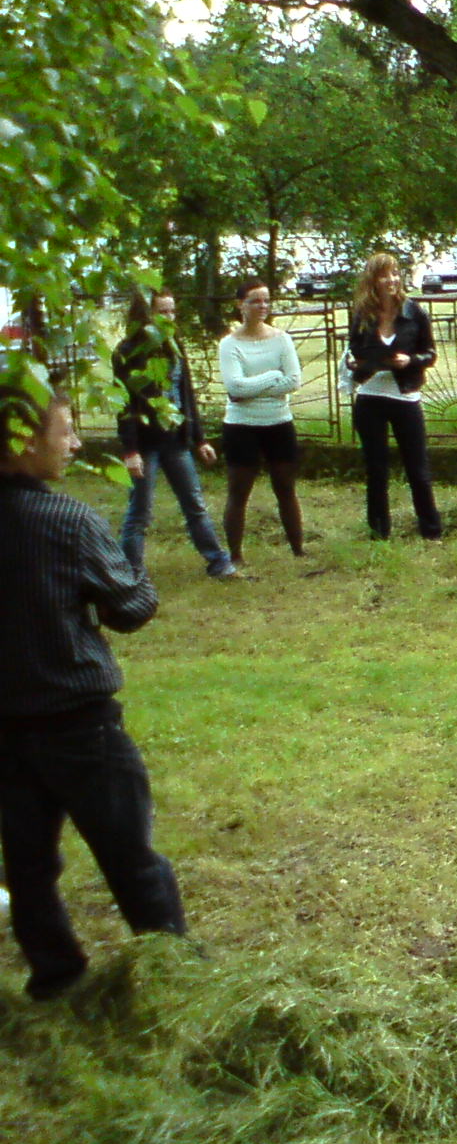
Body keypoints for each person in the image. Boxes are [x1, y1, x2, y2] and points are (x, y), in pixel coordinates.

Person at [0, 382, 187, 1000]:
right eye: (66, 431)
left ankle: (55, 974)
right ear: (23, 441)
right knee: (130, 856)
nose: (76, 443)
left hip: (7, 726)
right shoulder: (67, 521)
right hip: (78, 724)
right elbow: (130, 608)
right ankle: (172, 972)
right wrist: (131, 572)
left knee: (28, 864)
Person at [114, 290, 237, 580]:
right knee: (140, 512)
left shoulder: (173, 346)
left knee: (195, 505)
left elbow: (186, 395)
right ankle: (130, 573)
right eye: (162, 312)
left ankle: (219, 563)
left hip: (175, 441)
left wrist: (199, 439)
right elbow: (124, 404)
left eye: (172, 311)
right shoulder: (127, 351)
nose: (169, 318)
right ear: (146, 315)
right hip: (145, 444)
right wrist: (130, 451)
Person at [346, 253, 443, 542]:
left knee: (417, 469)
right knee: (376, 470)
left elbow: (430, 354)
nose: (391, 280)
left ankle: (431, 532)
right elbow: (354, 351)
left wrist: (410, 360)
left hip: (405, 397)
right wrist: (356, 364)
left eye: (395, 274)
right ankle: (379, 533)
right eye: (384, 275)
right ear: (372, 280)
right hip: (370, 396)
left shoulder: (414, 312)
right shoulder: (363, 315)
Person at [218, 279, 306, 568]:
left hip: (278, 422)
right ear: (240, 305)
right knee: (239, 491)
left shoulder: (282, 340)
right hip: (241, 426)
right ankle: (235, 555)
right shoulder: (229, 344)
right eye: (255, 301)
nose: (262, 306)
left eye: (266, 300)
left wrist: (252, 387)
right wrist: (272, 377)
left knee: (285, 488)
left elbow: (293, 381)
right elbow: (235, 388)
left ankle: (298, 549)